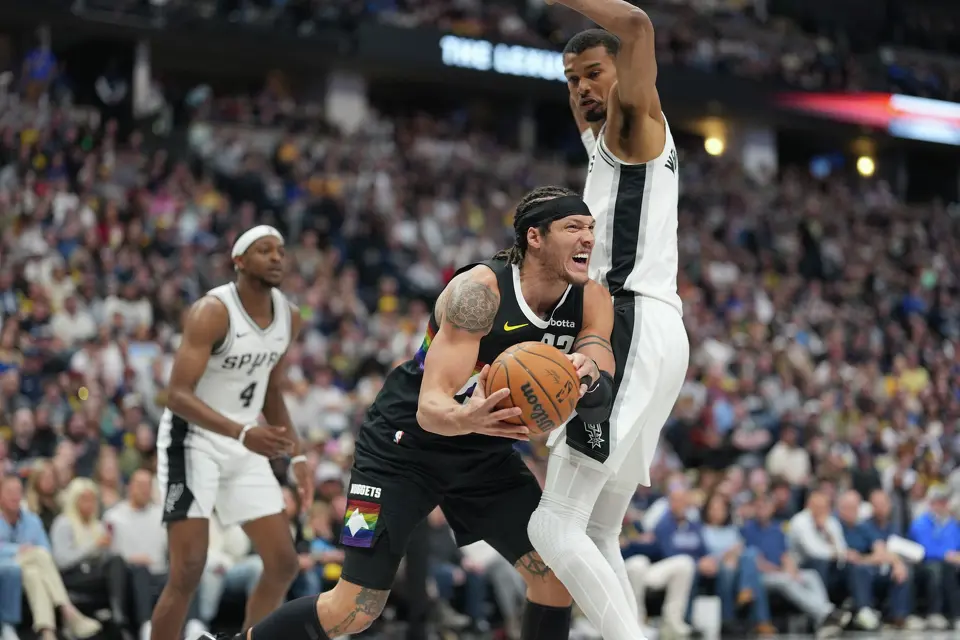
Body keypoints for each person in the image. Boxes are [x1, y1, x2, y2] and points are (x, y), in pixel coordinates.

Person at [207, 186, 617, 640]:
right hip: (400, 447)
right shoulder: (479, 292)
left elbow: (600, 371)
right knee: (356, 607)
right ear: (535, 237)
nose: (587, 239)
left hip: (482, 455)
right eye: (573, 228)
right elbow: (431, 407)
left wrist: (588, 374)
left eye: (591, 230)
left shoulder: (591, 298)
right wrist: (469, 418)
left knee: (556, 577)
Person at [527, 3, 688, 639]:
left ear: (626, 74)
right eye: (571, 80)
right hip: (654, 330)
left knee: (553, 525)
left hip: (627, 326)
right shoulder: (604, 145)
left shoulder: (635, 124)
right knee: (596, 530)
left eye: (594, 74)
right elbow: (589, 103)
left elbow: (639, 25)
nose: (583, 89)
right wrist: (582, 78)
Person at [151, 226, 311, 640]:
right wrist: (243, 434)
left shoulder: (289, 316)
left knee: (283, 563)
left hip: (243, 442)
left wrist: (297, 456)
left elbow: (270, 391)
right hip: (192, 440)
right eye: (264, 250)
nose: (277, 257)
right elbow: (176, 395)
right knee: (188, 568)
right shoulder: (212, 311)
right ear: (239, 261)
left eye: (280, 250)